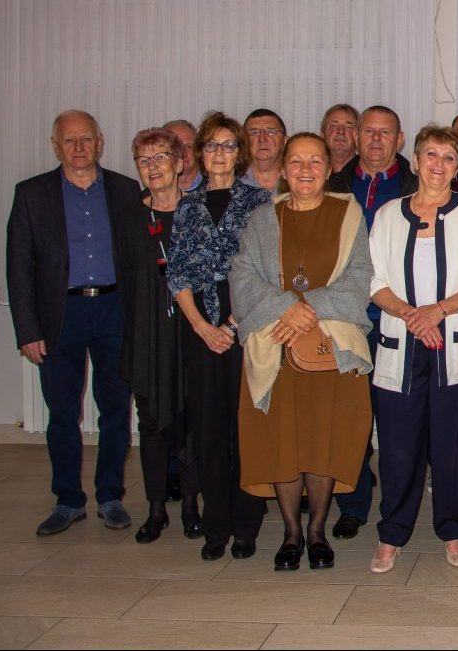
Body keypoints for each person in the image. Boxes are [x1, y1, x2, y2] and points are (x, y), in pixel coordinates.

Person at [231, 133, 374, 571]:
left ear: (329, 168)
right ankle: (291, 532)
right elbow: (242, 275)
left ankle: (317, 532)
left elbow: (361, 275)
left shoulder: (348, 214)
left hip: (330, 347)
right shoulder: (263, 218)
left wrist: (307, 307)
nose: (306, 170)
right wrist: (285, 308)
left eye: (315, 161)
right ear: (283, 168)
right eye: (296, 161)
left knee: (324, 440)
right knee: (283, 441)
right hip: (276, 344)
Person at [368, 126, 458, 574]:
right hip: (401, 345)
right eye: (431, 154)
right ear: (416, 159)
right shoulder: (388, 214)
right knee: (397, 449)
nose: (438, 164)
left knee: (454, 447)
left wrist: (438, 311)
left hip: (457, 347)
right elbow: (375, 280)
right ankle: (392, 533)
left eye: (448, 157)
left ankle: (452, 528)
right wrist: (412, 316)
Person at [6, 110, 140, 535]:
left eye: (86, 139)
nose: (79, 148)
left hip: (114, 311)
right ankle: (68, 500)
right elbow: (18, 268)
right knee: (62, 413)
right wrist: (28, 330)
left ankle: (110, 496)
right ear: (55, 146)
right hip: (59, 316)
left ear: (99, 142)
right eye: (69, 140)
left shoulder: (126, 190)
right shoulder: (31, 194)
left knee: (115, 408)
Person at [168, 111, 272, 561]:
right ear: (199, 153)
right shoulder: (186, 205)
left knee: (247, 431)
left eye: (228, 145)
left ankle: (246, 525)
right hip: (200, 330)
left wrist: (229, 325)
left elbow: (267, 271)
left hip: (247, 327)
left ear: (240, 153)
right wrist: (202, 328)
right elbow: (178, 274)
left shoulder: (260, 202)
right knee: (209, 433)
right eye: (212, 145)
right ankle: (216, 526)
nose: (219, 153)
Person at [326, 105, 418, 540]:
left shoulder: (417, 186)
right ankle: (353, 503)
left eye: (386, 133)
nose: (377, 140)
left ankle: (398, 509)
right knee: (349, 422)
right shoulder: (333, 186)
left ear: (400, 140)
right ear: (356, 137)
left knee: (398, 424)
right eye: (369, 132)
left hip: (400, 320)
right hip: (346, 320)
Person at [119, 127, 201, 543]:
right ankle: (155, 509)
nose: (153, 167)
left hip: (191, 333)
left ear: (180, 162)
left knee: (191, 420)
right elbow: (125, 281)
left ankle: (190, 507)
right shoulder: (129, 217)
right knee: (150, 423)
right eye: (144, 160)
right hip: (147, 334)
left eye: (161, 158)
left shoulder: (199, 212)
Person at [242, 108, 287, 194]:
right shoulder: (231, 182)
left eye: (271, 132)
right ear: (244, 141)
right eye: (254, 133)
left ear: (285, 140)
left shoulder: (298, 179)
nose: (262, 139)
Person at [163, 119, 203, 192]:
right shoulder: (152, 195)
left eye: (189, 146)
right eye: (176, 147)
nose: (183, 153)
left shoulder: (215, 188)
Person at [321, 104, 359, 174]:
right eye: (334, 126)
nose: (341, 131)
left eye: (348, 127)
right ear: (322, 133)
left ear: (358, 136)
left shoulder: (368, 174)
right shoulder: (312, 172)